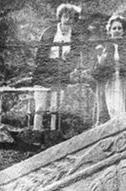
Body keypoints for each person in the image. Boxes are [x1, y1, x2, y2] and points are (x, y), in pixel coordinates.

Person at [32, 3, 82, 131]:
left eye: (71, 18)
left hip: (61, 72)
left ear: (74, 20)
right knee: (40, 108)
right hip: (44, 71)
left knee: (55, 108)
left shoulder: (75, 36)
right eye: (65, 17)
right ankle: (36, 132)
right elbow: (40, 56)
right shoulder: (49, 32)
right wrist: (53, 63)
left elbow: (74, 58)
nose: (68, 20)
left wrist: (65, 66)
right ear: (60, 17)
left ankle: (53, 134)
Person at [91, 13, 126, 124]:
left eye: (119, 28)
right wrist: (101, 64)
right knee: (111, 110)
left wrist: (125, 67)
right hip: (110, 84)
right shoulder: (102, 48)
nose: (117, 30)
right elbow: (94, 74)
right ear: (109, 31)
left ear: (123, 31)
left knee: (125, 109)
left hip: (125, 84)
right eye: (114, 28)